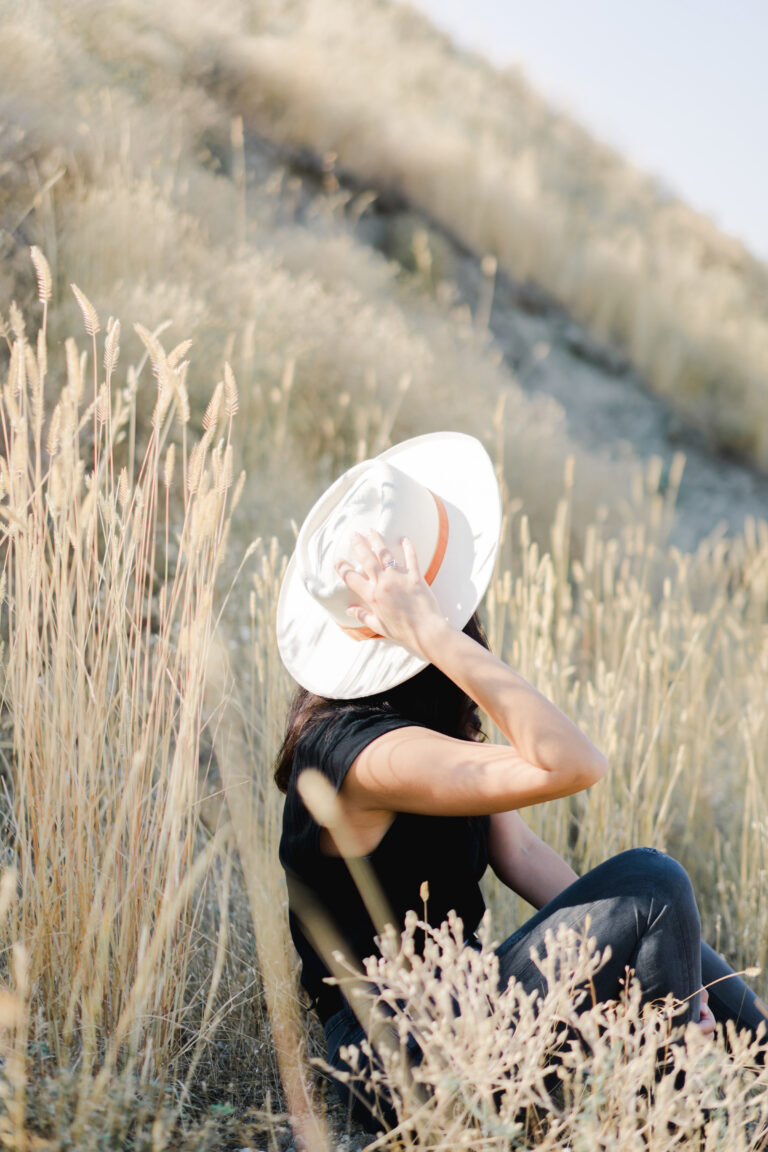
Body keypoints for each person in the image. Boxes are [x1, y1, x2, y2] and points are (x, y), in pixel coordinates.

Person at [275, 432, 767, 1132]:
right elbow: (574, 764)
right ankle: (685, 1129)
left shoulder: (423, 718)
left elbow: (524, 856)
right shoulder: (362, 755)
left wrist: (684, 975)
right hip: (398, 1066)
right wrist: (435, 634)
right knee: (654, 884)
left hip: (467, 1014)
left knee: (651, 901)